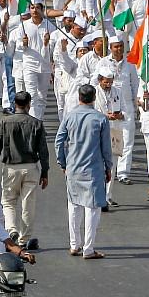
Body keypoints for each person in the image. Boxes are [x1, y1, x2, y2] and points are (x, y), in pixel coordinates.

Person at [55, 84, 113, 259]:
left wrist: (63, 163)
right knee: (92, 208)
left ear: (79, 97)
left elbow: (59, 141)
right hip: (93, 169)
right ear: (94, 98)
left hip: (73, 167)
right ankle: (88, 248)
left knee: (74, 206)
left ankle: (74, 244)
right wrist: (108, 167)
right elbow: (106, 148)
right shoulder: (100, 119)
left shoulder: (69, 116)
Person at [0, 91, 49, 249]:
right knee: (28, 203)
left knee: (8, 201)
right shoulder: (37, 123)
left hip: (10, 167)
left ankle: (11, 230)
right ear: (29, 104)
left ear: (14, 103)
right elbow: (43, 151)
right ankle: (23, 240)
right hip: (31, 167)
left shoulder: (5, 122)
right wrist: (45, 172)